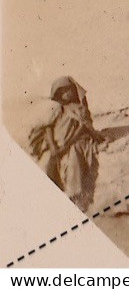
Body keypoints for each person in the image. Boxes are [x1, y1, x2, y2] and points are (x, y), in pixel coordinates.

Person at [29, 77, 102, 212]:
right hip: (56, 143)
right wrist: (53, 146)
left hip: (73, 141)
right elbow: (48, 127)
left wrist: (67, 145)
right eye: (62, 92)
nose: (66, 94)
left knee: (75, 157)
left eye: (69, 90)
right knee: (48, 163)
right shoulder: (59, 109)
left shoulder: (81, 109)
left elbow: (81, 129)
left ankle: (74, 195)